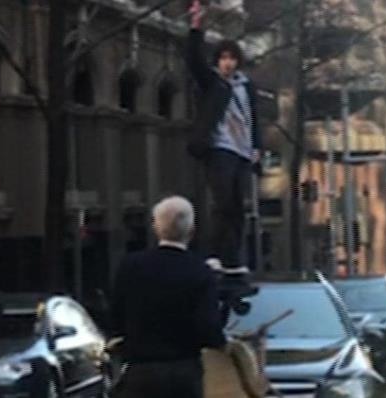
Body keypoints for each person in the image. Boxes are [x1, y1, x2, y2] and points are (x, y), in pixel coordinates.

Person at [111, 196, 226, 398]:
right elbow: (208, 327)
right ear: (191, 231)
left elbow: (116, 318)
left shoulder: (130, 266)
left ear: (156, 229)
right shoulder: (200, 271)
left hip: (141, 371)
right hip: (184, 371)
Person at [186, 0, 262, 286]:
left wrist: (256, 147)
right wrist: (196, 28)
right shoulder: (212, 83)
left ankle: (234, 259)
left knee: (238, 207)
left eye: (232, 58)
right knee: (222, 204)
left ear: (238, 61)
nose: (227, 63)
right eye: (223, 58)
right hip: (220, 149)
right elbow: (193, 61)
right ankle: (216, 255)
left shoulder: (247, 86)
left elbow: (254, 118)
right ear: (217, 62)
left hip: (242, 152)